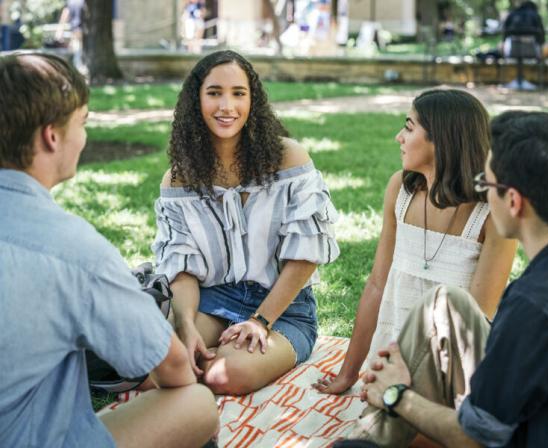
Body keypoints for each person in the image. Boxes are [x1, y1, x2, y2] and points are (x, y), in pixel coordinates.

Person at [0, 53, 219, 448]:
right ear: (52, 136)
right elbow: (172, 366)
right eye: (82, 123)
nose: (84, 137)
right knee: (197, 402)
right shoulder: (74, 250)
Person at [358, 110, 548, 447]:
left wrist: (397, 394)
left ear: (513, 201)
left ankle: (376, 430)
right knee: (447, 302)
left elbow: (474, 437)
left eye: (486, 184)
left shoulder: (532, 306)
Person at [152, 50, 339, 396]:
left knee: (226, 374)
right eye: (214, 93)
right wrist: (186, 323)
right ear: (197, 100)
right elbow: (183, 268)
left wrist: (260, 321)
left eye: (238, 93)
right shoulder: (179, 180)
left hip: (283, 308)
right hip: (213, 299)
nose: (227, 106)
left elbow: (307, 254)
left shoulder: (289, 159)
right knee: (160, 363)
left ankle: (216, 369)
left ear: (253, 100)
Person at [314, 89, 516, 396]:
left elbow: (476, 322)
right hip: (392, 358)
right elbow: (377, 285)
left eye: (409, 127)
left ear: (443, 139)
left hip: (456, 372)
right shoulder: (401, 189)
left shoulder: (491, 213)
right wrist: (348, 373)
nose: (399, 137)